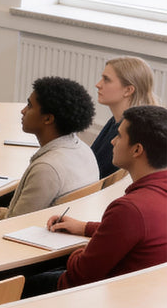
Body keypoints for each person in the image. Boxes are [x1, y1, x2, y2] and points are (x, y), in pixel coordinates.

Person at [28, 104, 167, 294]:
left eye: (119, 136)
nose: (112, 142)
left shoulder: (130, 208)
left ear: (136, 150)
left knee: (20, 280)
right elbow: (130, 231)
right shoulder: (153, 197)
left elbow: (80, 276)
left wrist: (78, 252)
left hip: (103, 300)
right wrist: (86, 228)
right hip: (147, 299)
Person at [0, 76, 97, 221]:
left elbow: (16, 221)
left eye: (30, 106)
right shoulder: (84, 149)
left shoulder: (46, 168)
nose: (23, 111)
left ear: (48, 119)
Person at [92, 57, 159, 178]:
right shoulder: (115, 121)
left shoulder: (130, 131)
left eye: (106, 80)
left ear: (128, 90)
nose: (98, 85)